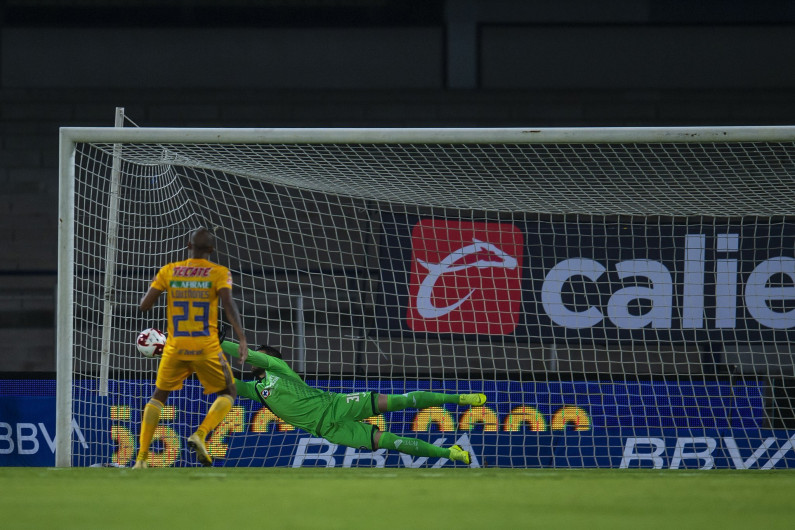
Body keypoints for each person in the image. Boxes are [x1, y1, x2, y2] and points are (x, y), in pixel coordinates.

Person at [220, 341, 485, 465]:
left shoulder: (278, 368)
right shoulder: (257, 391)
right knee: (390, 442)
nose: (254, 359)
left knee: (399, 401)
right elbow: (230, 384)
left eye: (259, 355)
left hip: (336, 405)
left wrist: (219, 342)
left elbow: (249, 354)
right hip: (330, 431)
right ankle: (450, 453)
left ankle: (460, 398)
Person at [133, 227, 250, 469]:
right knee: (229, 392)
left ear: (188, 246)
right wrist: (241, 338)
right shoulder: (219, 273)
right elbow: (229, 304)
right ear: (211, 250)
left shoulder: (169, 270)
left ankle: (142, 459)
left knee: (159, 396)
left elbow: (144, 305)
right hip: (205, 347)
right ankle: (201, 434)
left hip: (175, 347)